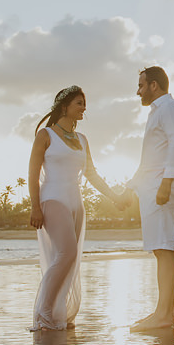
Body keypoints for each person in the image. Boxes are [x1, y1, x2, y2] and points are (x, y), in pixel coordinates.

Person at [28, 85, 126, 331]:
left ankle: (62, 311)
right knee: (66, 254)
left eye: (84, 104)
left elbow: (92, 174)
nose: (84, 108)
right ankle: (44, 314)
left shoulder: (82, 140)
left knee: (71, 259)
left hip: (76, 201)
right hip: (52, 198)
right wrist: (34, 207)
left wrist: (115, 196)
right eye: (79, 103)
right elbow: (32, 173)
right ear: (65, 106)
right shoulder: (45, 135)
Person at [127, 66, 174, 332]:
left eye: (141, 85)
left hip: (160, 187)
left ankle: (164, 315)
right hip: (152, 186)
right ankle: (162, 312)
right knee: (161, 249)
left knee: (164, 248)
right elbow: (150, 159)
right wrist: (130, 188)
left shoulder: (169, 108)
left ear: (154, 85)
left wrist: (166, 183)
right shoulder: (158, 112)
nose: (138, 90)